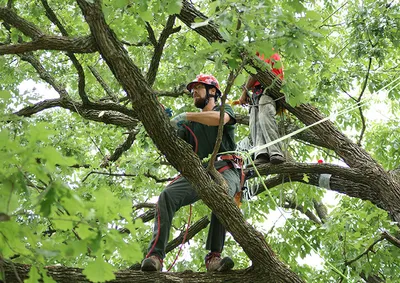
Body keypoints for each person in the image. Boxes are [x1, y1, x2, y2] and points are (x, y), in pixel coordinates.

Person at [141, 74, 241, 272]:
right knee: (167, 195)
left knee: (223, 194)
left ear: (212, 91)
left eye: (198, 88)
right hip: (200, 172)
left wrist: (185, 116)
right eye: (192, 89)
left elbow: (219, 120)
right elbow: (172, 144)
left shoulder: (222, 109)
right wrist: (164, 122)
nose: (193, 92)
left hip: (225, 167)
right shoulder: (189, 126)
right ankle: (155, 256)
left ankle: (214, 257)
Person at [239, 52, 285, 165]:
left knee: (265, 118)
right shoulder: (257, 53)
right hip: (258, 92)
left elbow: (256, 71)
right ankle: (261, 154)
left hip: (268, 91)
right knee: (254, 122)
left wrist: (244, 91)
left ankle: (275, 152)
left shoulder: (265, 51)